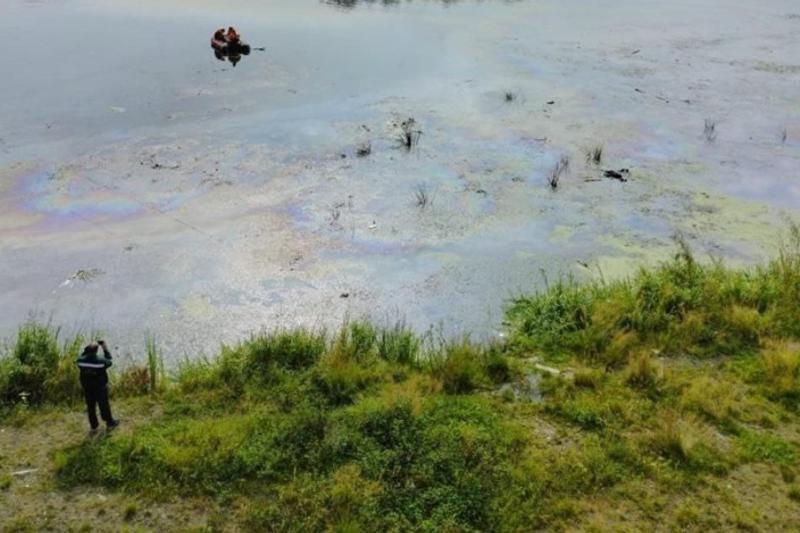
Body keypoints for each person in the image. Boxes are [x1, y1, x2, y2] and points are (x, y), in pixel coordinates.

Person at [77, 340, 119, 431]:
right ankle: (109, 422)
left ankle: (94, 425)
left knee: (90, 406)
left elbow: (81, 355)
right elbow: (109, 360)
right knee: (103, 405)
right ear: (96, 351)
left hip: (87, 386)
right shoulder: (100, 362)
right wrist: (104, 348)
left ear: (87, 350)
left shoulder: (80, 361)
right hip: (100, 387)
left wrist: (89, 347)